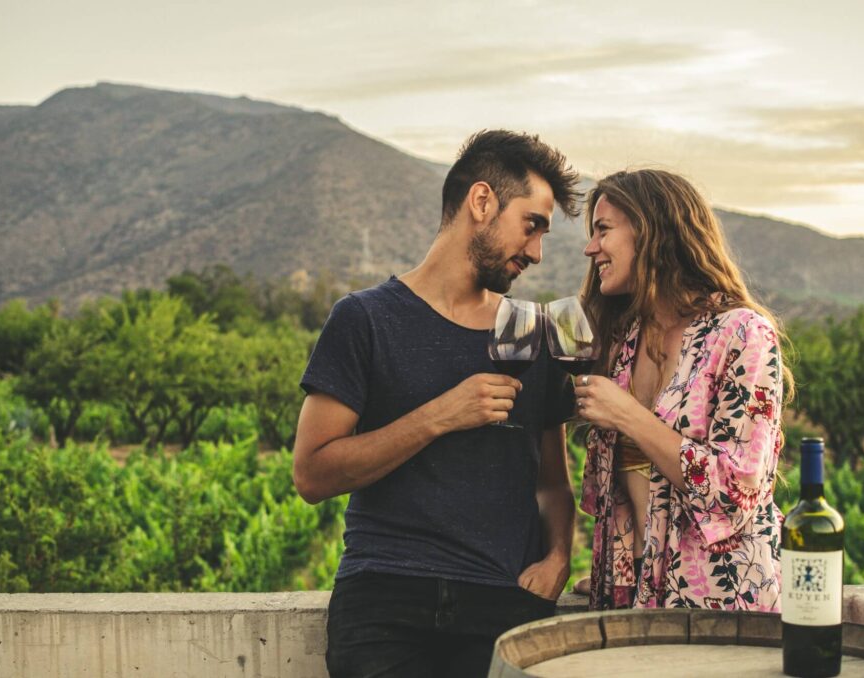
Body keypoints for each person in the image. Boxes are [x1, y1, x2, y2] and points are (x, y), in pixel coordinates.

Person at [293, 130, 582, 677]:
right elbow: (312, 475)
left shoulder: (535, 335)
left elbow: (553, 482)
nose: (537, 253)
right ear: (482, 201)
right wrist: (439, 416)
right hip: (383, 605)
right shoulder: (364, 320)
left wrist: (558, 558)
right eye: (531, 225)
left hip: (504, 605)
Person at [572, 168, 791, 611]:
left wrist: (627, 415)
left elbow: (734, 491)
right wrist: (616, 572)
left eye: (603, 230)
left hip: (721, 603)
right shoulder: (623, 338)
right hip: (633, 596)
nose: (590, 248)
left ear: (650, 231)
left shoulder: (742, 334)